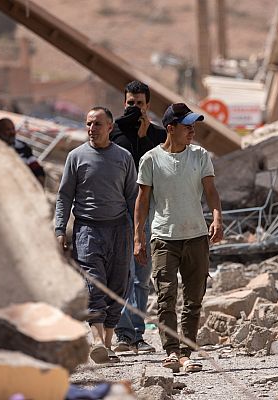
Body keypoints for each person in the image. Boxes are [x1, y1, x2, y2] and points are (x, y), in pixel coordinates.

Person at [134, 103, 224, 373]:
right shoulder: (150, 159)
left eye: (193, 125)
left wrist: (217, 218)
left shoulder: (199, 156)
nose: (192, 130)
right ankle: (172, 351)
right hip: (163, 237)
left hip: (196, 236)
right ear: (170, 129)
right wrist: (139, 237)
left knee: (194, 297)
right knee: (166, 297)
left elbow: (211, 191)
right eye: (187, 126)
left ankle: (187, 350)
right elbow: (142, 200)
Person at [54, 107, 137, 364]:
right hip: (87, 230)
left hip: (119, 229)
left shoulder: (123, 157)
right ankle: (97, 340)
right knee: (94, 284)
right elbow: (64, 196)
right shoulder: (76, 157)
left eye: (97, 124)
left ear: (110, 127)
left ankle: (107, 343)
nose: (92, 129)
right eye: (89, 124)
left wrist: (138, 234)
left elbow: (133, 197)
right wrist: (59, 228)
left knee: (118, 285)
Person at [111, 80, 167, 354]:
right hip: (118, 214)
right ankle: (122, 334)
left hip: (146, 214)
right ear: (124, 103)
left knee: (142, 276)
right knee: (121, 275)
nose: (134, 109)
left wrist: (144, 135)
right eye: (130, 104)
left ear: (148, 106)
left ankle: (136, 332)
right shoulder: (112, 133)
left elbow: (158, 170)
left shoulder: (156, 136)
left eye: (139, 104)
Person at [0, 118, 46, 185]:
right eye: (8, 130)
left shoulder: (23, 147)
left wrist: (40, 178)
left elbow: (36, 167)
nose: (12, 132)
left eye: (13, 129)